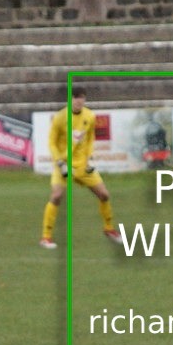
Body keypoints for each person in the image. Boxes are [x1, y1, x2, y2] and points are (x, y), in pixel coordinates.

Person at [39, 85, 122, 249]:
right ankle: (46, 237)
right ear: (70, 99)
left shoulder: (89, 116)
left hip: (83, 166)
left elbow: (91, 138)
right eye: (75, 97)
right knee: (56, 196)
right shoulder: (60, 117)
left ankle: (109, 229)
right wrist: (59, 162)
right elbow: (51, 142)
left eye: (81, 97)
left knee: (104, 194)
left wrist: (90, 158)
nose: (78, 100)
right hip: (64, 165)